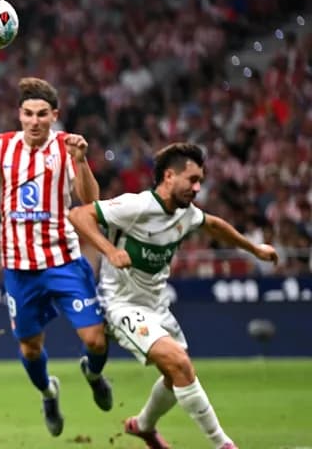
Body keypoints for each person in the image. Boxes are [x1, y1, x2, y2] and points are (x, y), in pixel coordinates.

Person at [70, 143, 277, 449]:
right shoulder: (137, 206)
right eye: (192, 180)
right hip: (121, 305)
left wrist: (255, 249)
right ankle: (223, 444)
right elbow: (79, 215)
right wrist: (110, 251)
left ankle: (143, 426)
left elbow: (215, 226)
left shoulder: (187, 214)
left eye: (200, 182)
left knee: (175, 374)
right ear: (169, 176)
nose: (197, 188)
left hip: (157, 307)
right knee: (179, 363)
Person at [0, 77, 112, 436]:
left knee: (96, 340)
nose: (34, 121)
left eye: (41, 114)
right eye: (27, 114)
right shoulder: (0, 147)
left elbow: (89, 201)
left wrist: (82, 162)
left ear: (54, 116)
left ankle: (93, 373)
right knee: (31, 349)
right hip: (20, 269)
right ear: (19, 115)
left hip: (64, 261)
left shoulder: (67, 149)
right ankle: (49, 392)